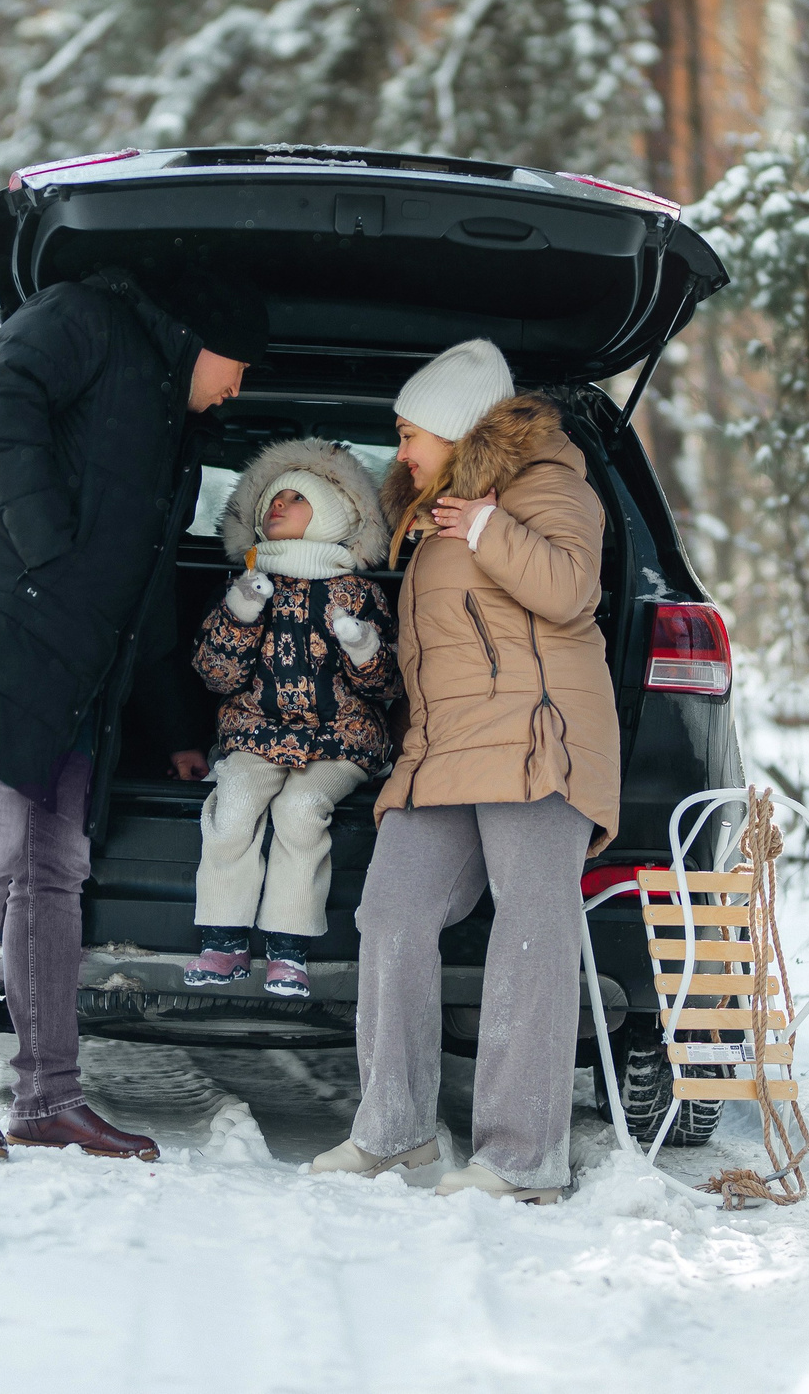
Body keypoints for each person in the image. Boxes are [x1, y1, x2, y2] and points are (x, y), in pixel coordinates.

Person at [0, 264, 266, 1163]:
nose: (237, 389)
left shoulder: (177, 431)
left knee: (56, 871)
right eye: (241, 366)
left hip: (78, 669)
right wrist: (43, 537)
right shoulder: (87, 316)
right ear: (209, 332)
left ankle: (50, 1094)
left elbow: (150, 596)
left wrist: (175, 726)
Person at [310, 339, 621, 1204]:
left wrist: (488, 525)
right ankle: (394, 1132)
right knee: (392, 912)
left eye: (411, 434)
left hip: (535, 733)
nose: (400, 452)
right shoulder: (439, 508)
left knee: (533, 930)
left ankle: (521, 1160)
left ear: (455, 431)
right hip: (447, 748)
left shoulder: (551, 483)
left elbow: (569, 589)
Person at [186, 438, 401, 997]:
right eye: (271, 500)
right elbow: (216, 676)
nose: (275, 506)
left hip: (339, 740)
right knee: (232, 808)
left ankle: (288, 947)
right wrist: (239, 615)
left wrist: (361, 645)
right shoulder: (248, 586)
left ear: (329, 511)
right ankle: (223, 941)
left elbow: (386, 686)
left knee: (301, 809)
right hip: (255, 735)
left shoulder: (357, 592)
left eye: (295, 499)